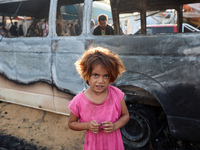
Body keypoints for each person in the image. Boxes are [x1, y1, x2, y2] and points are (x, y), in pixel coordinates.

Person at [68, 47, 130, 150]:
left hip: (114, 144)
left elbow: (126, 116)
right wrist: (87, 125)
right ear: (87, 74)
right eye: (95, 75)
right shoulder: (79, 100)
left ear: (111, 76)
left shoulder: (117, 94)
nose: (101, 81)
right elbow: (71, 124)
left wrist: (115, 126)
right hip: (93, 145)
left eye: (106, 76)